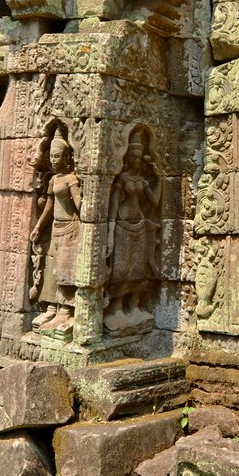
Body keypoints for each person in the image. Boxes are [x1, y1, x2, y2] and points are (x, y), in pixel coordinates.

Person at [104, 127, 162, 335]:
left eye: (139, 156)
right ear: (127, 157)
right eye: (133, 156)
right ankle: (116, 308)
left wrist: (159, 178)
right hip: (122, 225)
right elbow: (112, 210)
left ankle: (134, 306)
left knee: (138, 268)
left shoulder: (142, 181)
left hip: (139, 226)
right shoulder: (122, 180)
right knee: (121, 269)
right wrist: (110, 233)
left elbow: (154, 203)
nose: (136, 160)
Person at [29, 133, 81, 337]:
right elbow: (50, 207)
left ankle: (66, 310)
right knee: (52, 267)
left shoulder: (71, 179)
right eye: (51, 156)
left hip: (71, 228)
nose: (53, 160)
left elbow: (78, 205)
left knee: (66, 270)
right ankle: (52, 307)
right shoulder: (54, 179)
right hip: (56, 228)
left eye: (57, 156)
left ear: (68, 157)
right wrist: (39, 228)